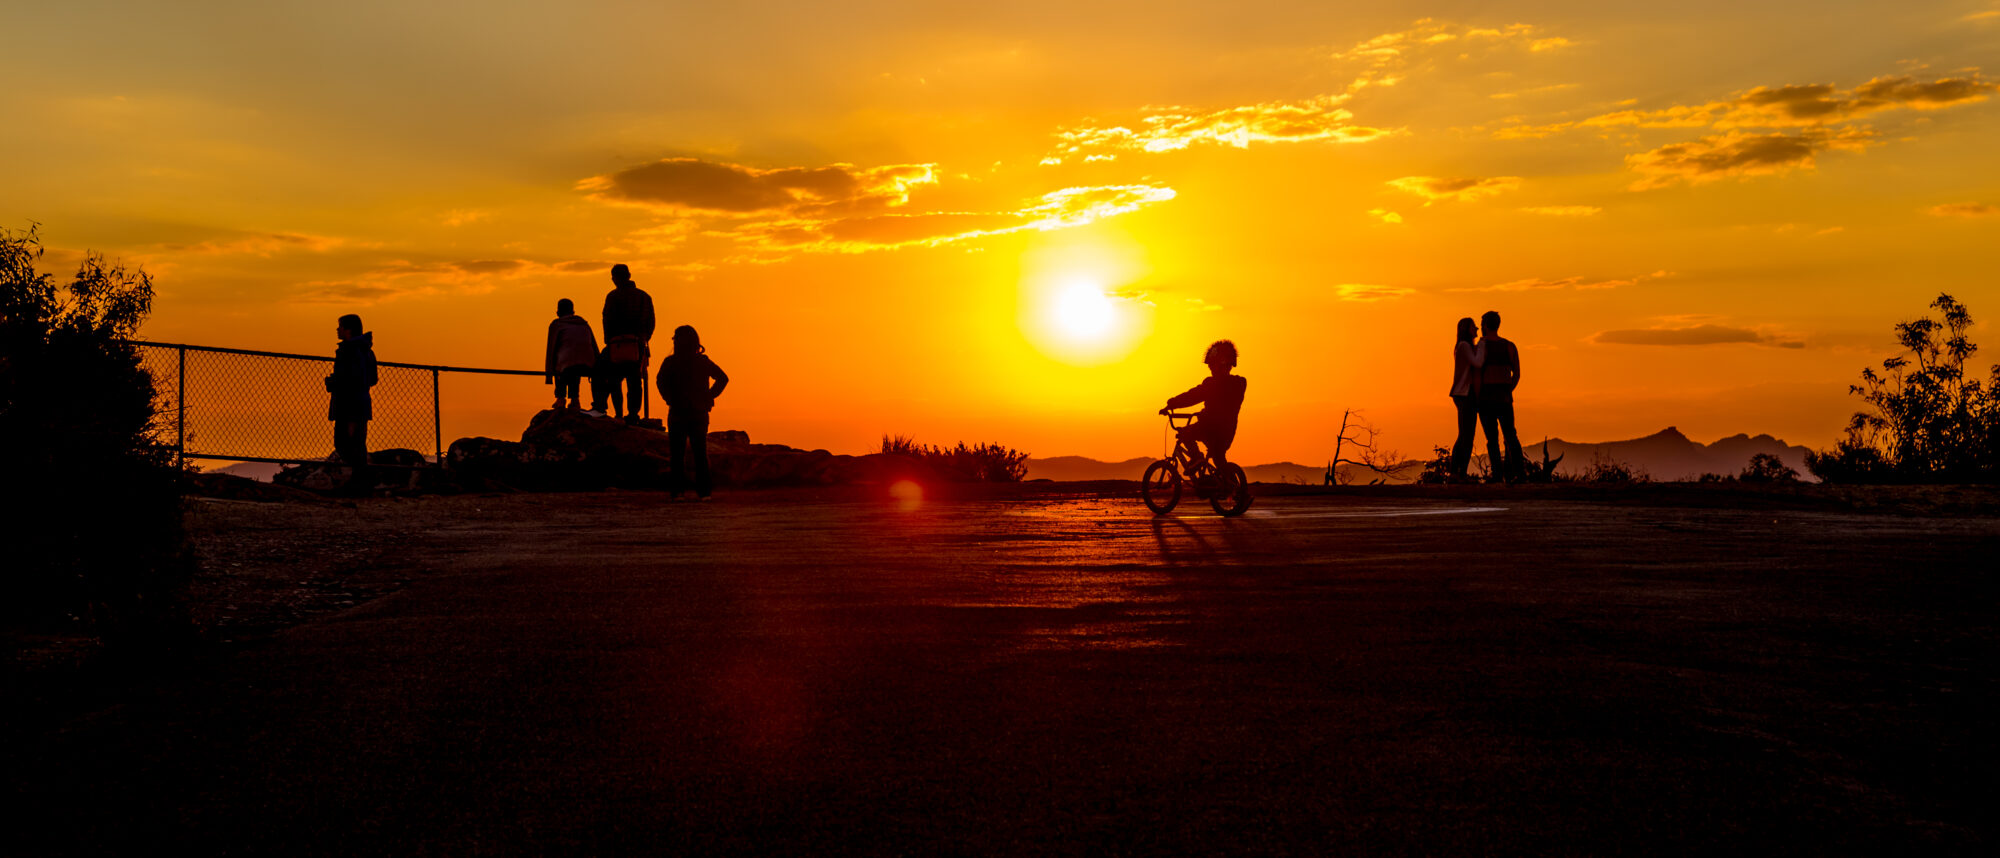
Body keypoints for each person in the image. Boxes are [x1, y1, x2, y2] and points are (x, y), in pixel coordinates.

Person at [656, 325, 729, 500]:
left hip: (678, 412)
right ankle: (704, 492)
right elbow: (723, 378)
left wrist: (669, 399)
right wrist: (709, 396)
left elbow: (660, 382)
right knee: (700, 454)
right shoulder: (702, 362)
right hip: (699, 412)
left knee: (677, 454)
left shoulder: (671, 362)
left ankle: (678, 492)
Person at [1160, 340, 1248, 474]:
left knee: (1185, 433)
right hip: (1227, 433)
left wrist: (1172, 403)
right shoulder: (1239, 384)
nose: (1211, 369)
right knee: (1219, 460)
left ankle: (1196, 458)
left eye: (1213, 366)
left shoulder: (1213, 384)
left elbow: (1193, 396)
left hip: (1209, 428)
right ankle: (1236, 489)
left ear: (1221, 365)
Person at [589, 264, 655, 422]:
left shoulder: (613, 296)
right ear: (629, 275)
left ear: (615, 278)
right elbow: (651, 321)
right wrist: (643, 339)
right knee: (634, 381)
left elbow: (607, 319)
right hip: (637, 343)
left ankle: (603, 408)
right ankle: (633, 414)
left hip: (616, 343)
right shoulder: (644, 296)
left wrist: (609, 339)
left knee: (604, 374)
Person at [326, 313, 377, 496]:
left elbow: (350, 378)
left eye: (340, 326)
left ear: (348, 329)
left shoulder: (349, 351)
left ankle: (360, 484)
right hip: (360, 403)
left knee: (347, 443)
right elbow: (372, 378)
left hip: (349, 405)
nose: (337, 329)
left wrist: (334, 383)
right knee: (356, 443)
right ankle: (360, 483)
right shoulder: (366, 351)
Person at [1476, 310, 1524, 482]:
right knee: (1510, 435)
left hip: (1486, 398)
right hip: (1504, 398)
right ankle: (1519, 473)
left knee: (1492, 439)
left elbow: (1476, 372)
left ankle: (1497, 475)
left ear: (1486, 325)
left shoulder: (1481, 346)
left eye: (1481, 324)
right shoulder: (1510, 346)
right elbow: (1517, 374)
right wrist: (1508, 389)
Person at [1448, 317, 1485, 481]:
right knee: (1466, 435)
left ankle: (1458, 472)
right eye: (1473, 327)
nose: (1477, 329)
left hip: (1464, 393)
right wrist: (1483, 345)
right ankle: (1458, 472)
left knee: (1466, 434)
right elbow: (1477, 363)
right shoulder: (1464, 346)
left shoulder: (1465, 347)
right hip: (1464, 393)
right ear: (1466, 330)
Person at [544, 298, 599, 411]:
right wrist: (598, 366)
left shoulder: (557, 324)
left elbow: (551, 349)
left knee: (563, 365)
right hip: (588, 363)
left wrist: (549, 373)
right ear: (573, 311)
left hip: (567, 363)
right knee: (574, 367)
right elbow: (594, 346)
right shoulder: (584, 324)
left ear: (558, 312)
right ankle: (575, 399)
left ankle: (560, 398)